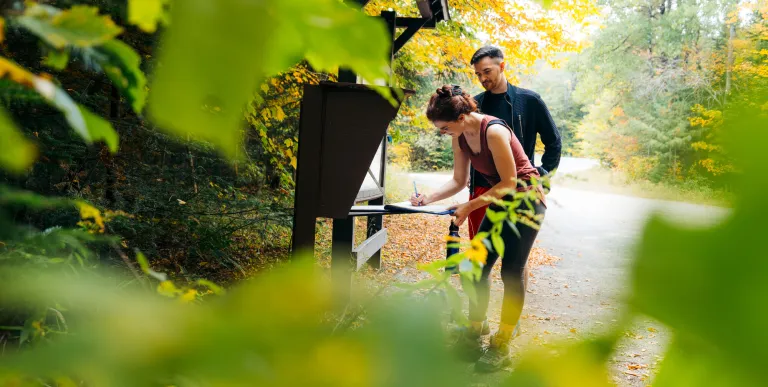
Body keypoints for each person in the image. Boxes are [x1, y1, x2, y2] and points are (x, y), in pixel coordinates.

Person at [410, 85, 546, 372]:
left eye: (444, 128)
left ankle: (502, 344)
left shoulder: (494, 131)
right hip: (501, 200)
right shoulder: (459, 137)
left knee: (511, 270)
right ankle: (474, 333)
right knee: (476, 268)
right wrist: (427, 198)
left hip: (525, 201)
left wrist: (469, 207)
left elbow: (509, 182)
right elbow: (459, 181)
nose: (443, 133)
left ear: (461, 117)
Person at [466, 46, 561, 242]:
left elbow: (554, 142)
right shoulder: (475, 105)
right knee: (480, 255)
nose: (482, 79)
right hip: (483, 190)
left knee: (515, 259)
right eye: (478, 74)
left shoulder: (529, 101)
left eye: (487, 72)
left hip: (520, 189)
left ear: (502, 66)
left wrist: (542, 174)